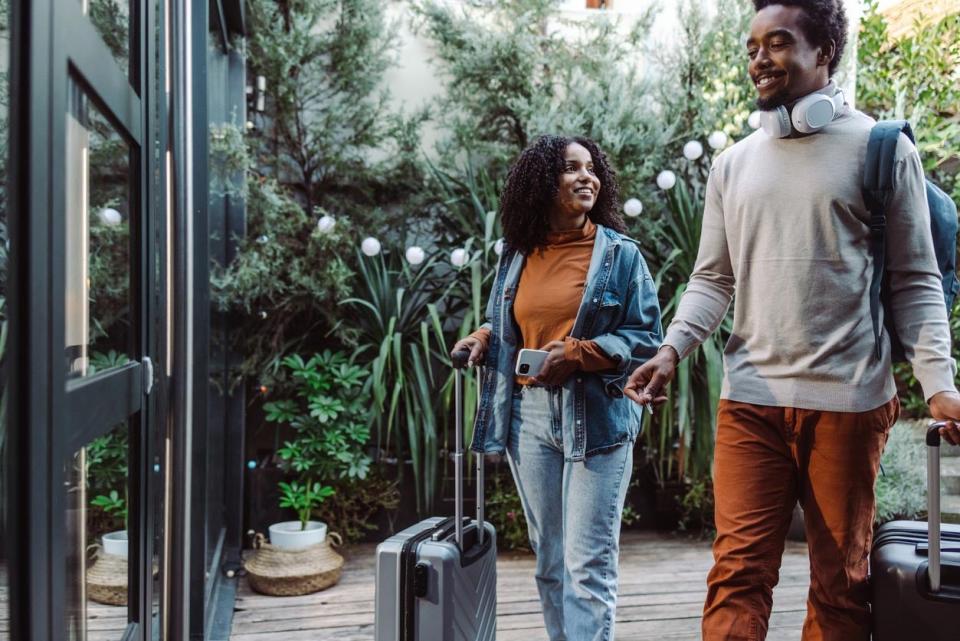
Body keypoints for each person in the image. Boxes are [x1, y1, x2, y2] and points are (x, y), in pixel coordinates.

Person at [624, 2, 960, 640]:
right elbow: (712, 279)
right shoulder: (734, 164)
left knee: (841, 586)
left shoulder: (881, 150)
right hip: (750, 399)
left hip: (849, 402)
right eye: (752, 47)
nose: (759, 59)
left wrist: (938, 384)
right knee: (736, 576)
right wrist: (671, 349)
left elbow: (914, 279)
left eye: (777, 43)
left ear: (823, 50)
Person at [451, 135, 662, 641]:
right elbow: (511, 322)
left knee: (586, 568)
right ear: (544, 184)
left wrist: (581, 354)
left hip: (597, 417)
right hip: (530, 418)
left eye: (591, 168)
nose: (585, 176)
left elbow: (648, 339)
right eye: (571, 169)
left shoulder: (621, 256)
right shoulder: (518, 253)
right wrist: (483, 336)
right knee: (549, 562)